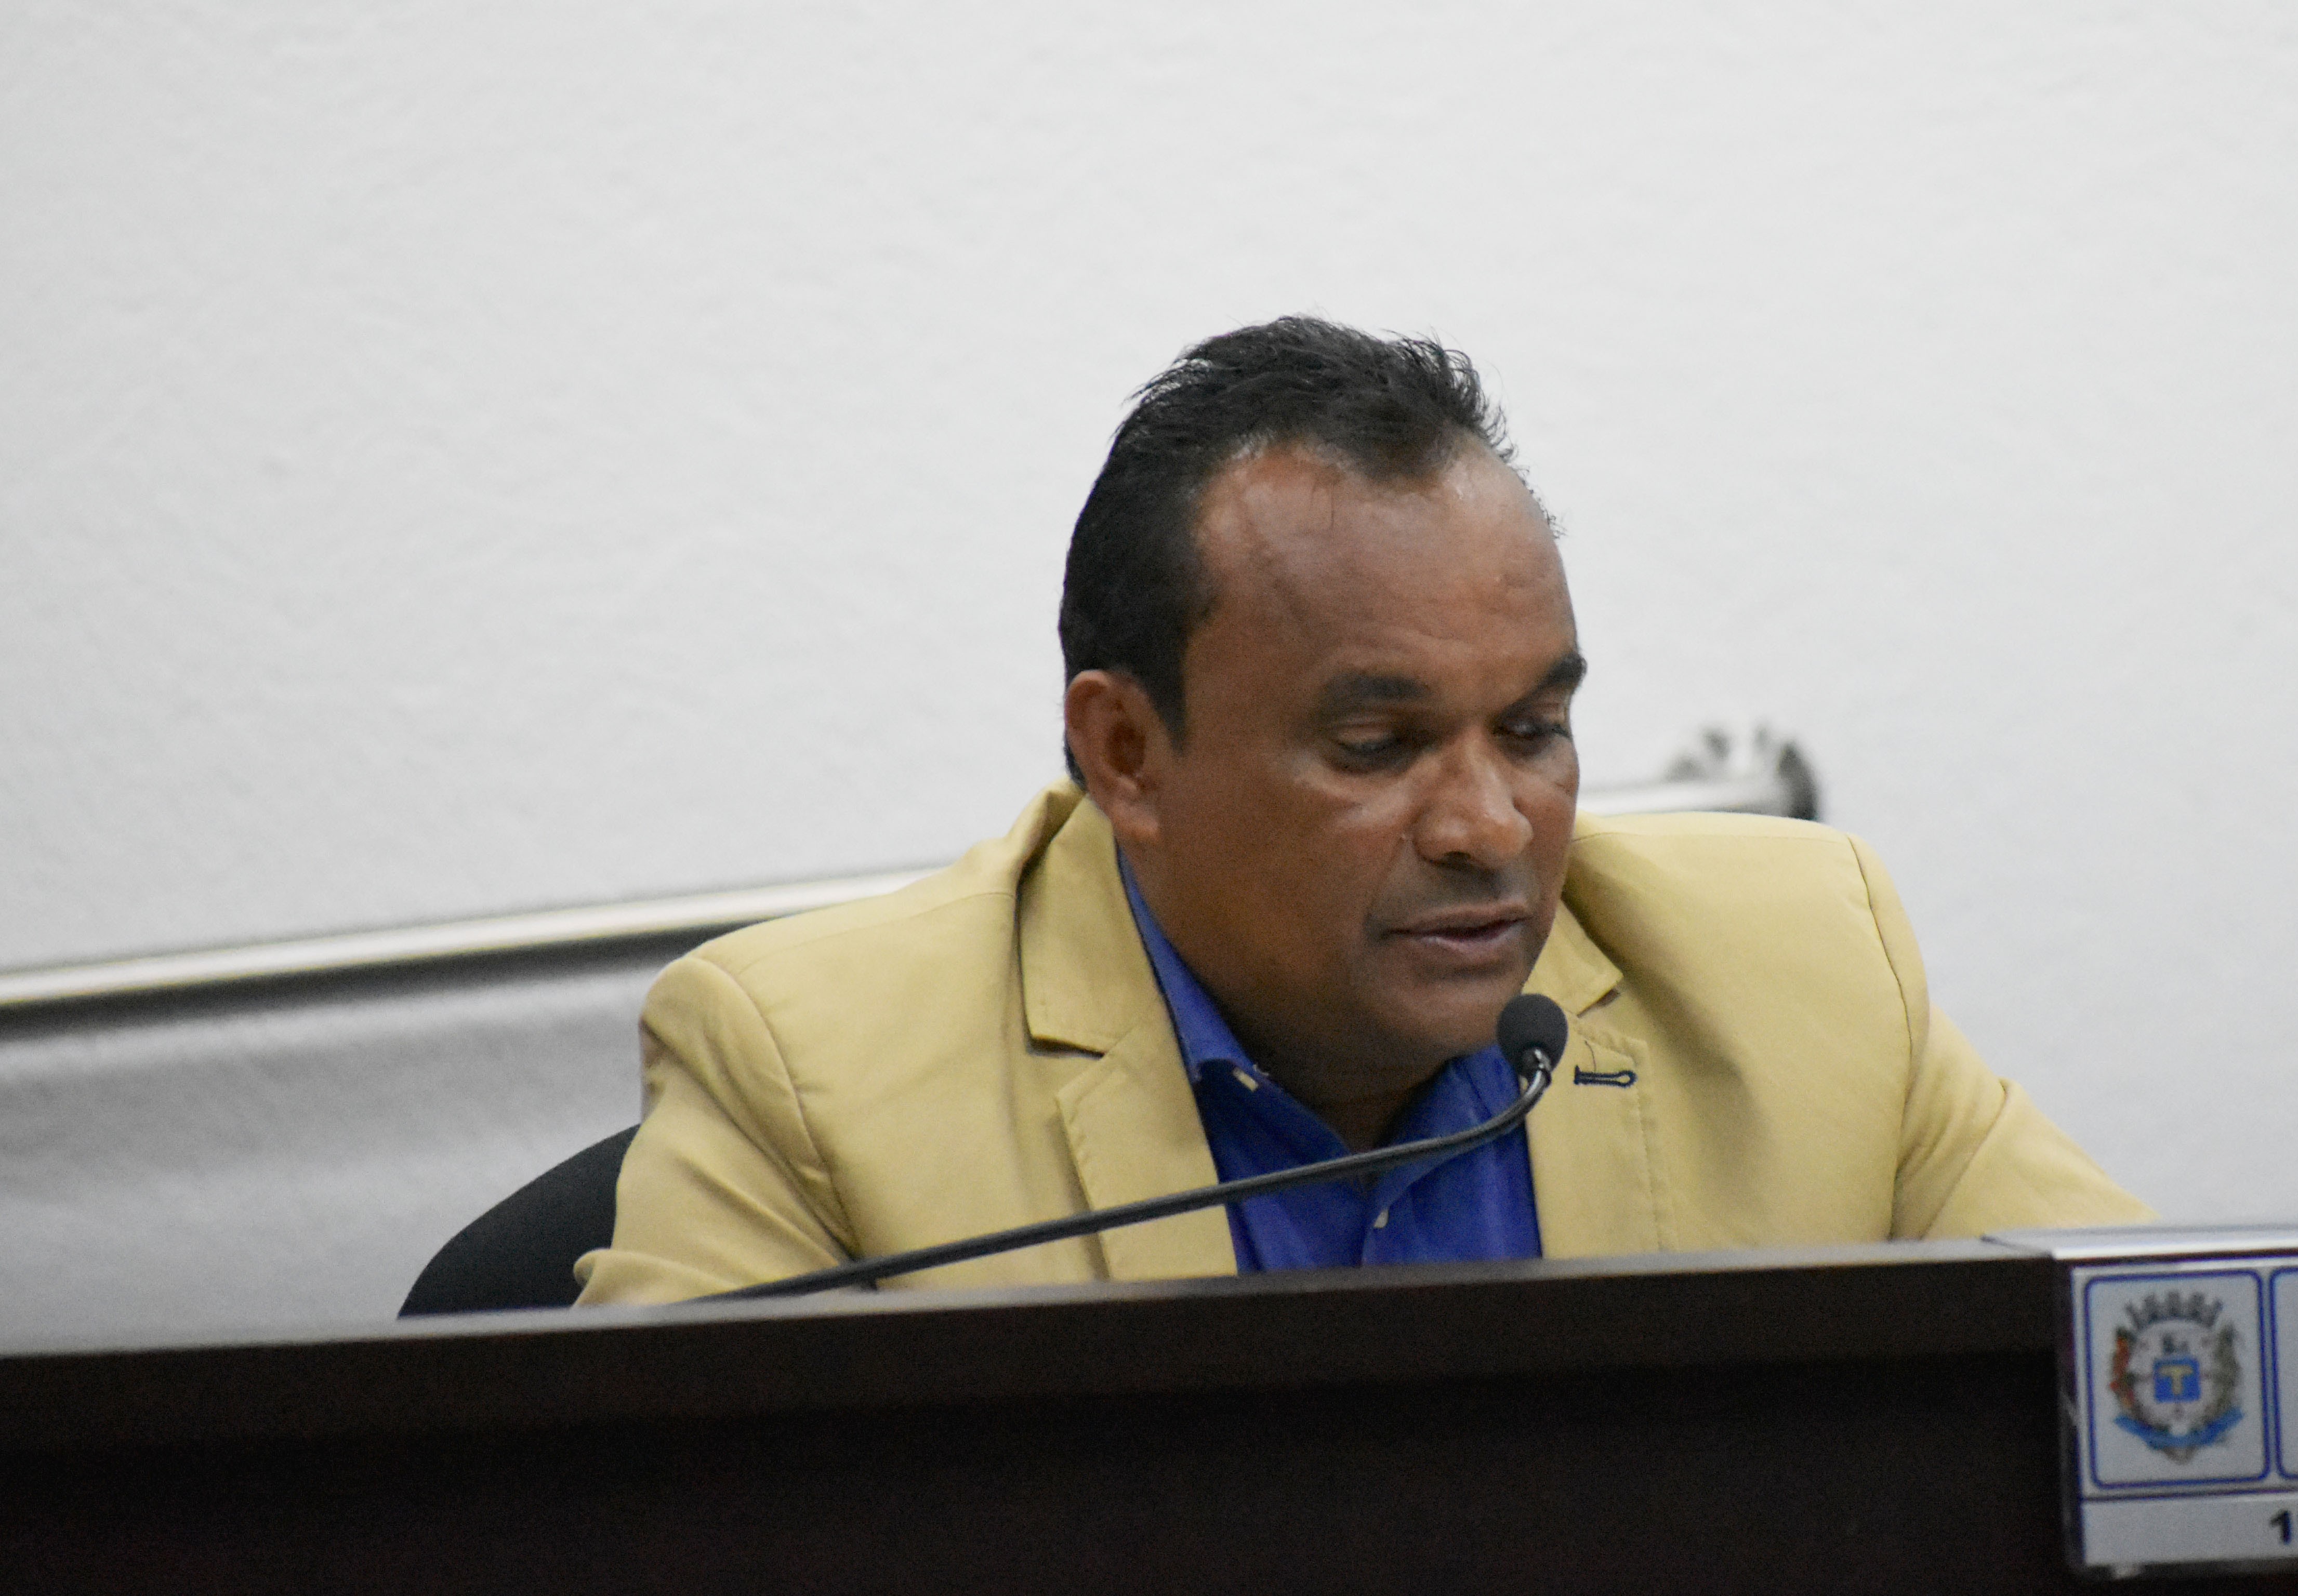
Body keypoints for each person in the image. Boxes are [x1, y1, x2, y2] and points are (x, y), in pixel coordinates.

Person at [576, 318, 2146, 1304]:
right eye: (1378, 745)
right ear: (1126, 755)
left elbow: (2182, 1406)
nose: (1489, 826)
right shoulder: (811, 1076)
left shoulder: (1810, 978)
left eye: (1534, 730)